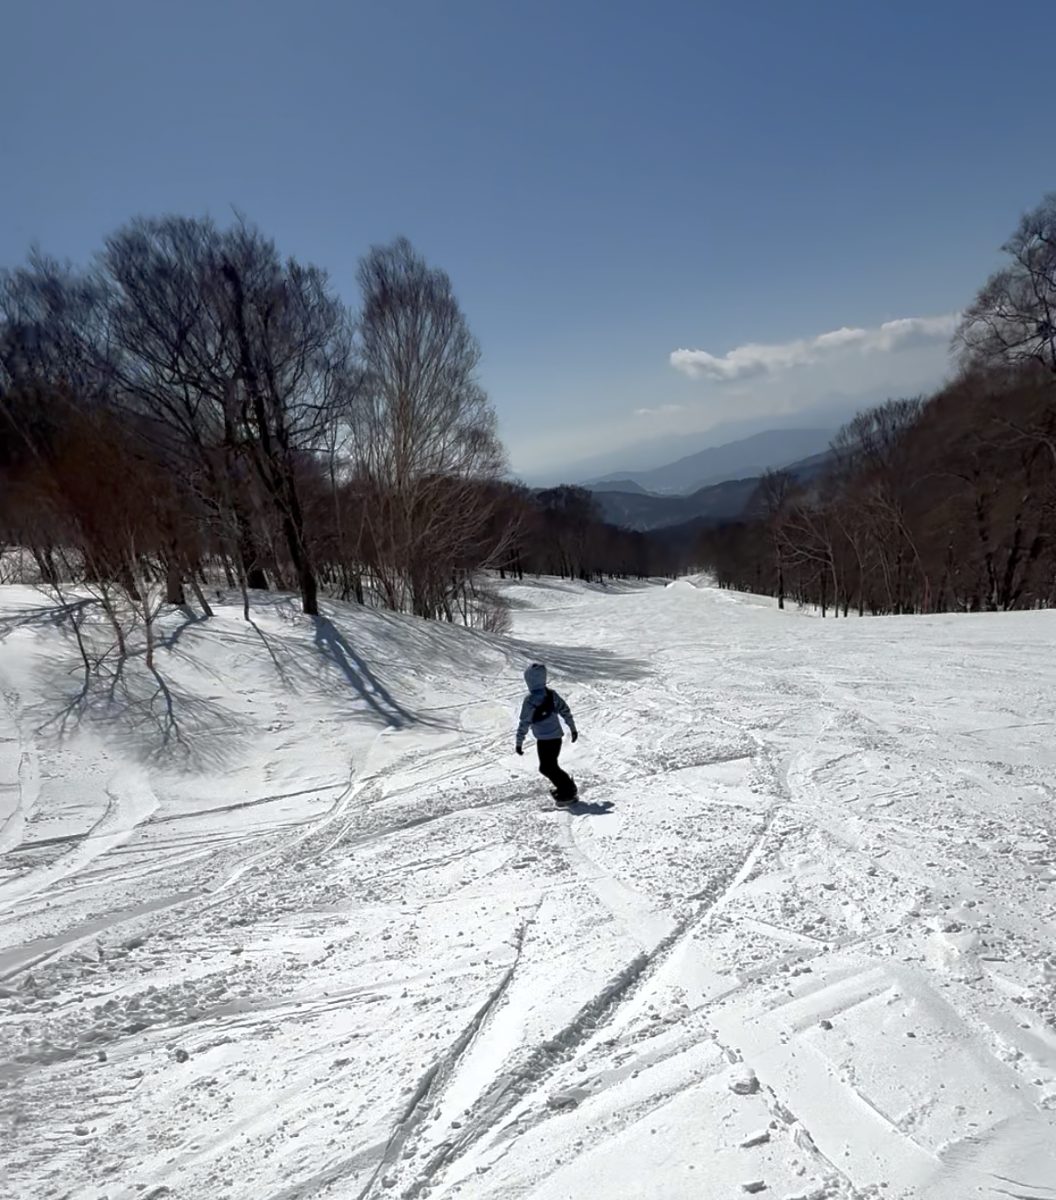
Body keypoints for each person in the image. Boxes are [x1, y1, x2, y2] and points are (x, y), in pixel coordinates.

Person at [515, 662, 579, 803]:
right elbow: (565, 711)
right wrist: (572, 729)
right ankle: (566, 787)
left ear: (529, 680)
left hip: (545, 739)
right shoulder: (551, 695)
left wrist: (519, 743)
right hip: (555, 737)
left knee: (547, 767)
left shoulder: (530, 700)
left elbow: (524, 723)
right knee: (550, 766)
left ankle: (568, 790)